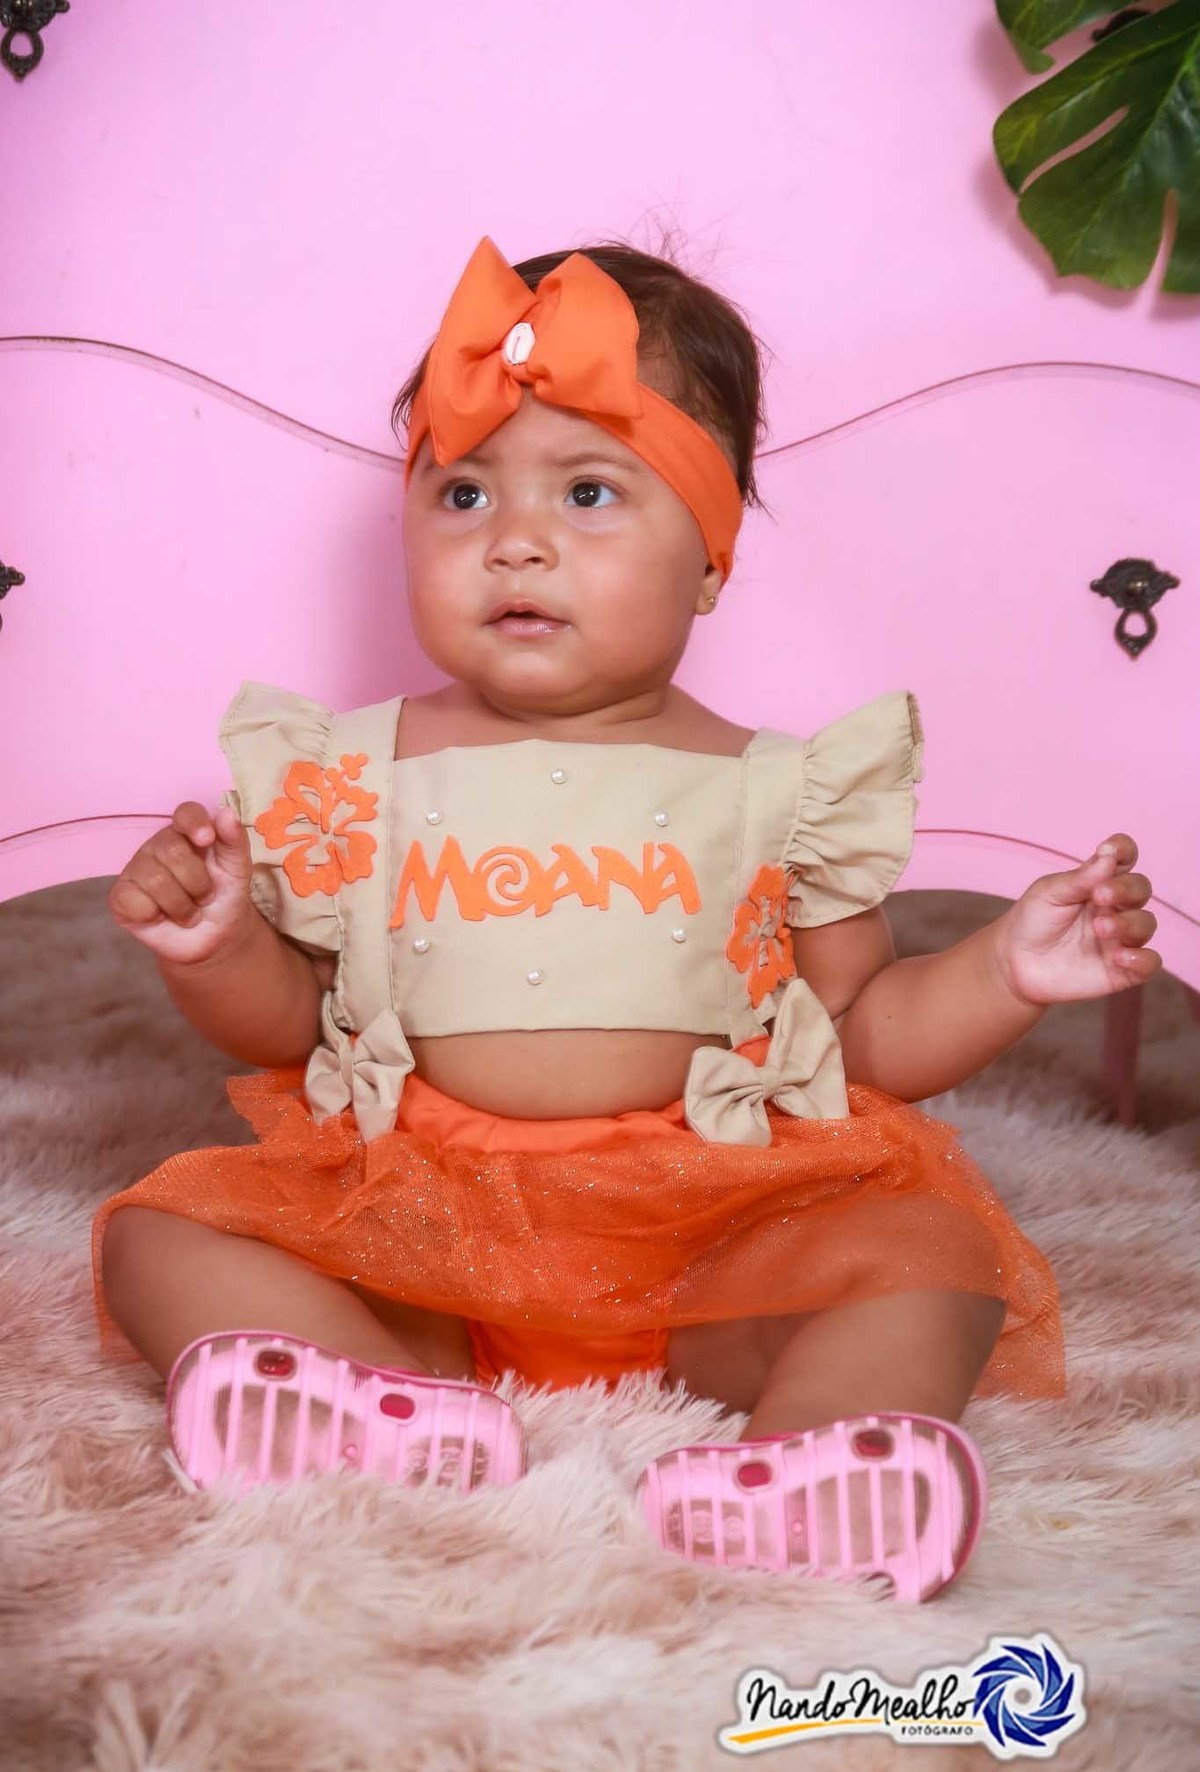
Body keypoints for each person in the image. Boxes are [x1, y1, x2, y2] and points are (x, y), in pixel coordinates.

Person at [95, 237, 1160, 1602]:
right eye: (464, 492)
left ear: (709, 561)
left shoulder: (777, 790)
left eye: (588, 492)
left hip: (710, 1244)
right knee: (157, 1229)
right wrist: (220, 946)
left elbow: (860, 1037)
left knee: (935, 1257)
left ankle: (816, 1458)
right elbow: (296, 1025)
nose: (515, 539)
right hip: (420, 1238)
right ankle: (363, 1397)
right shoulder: (349, 772)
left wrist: (1005, 970)